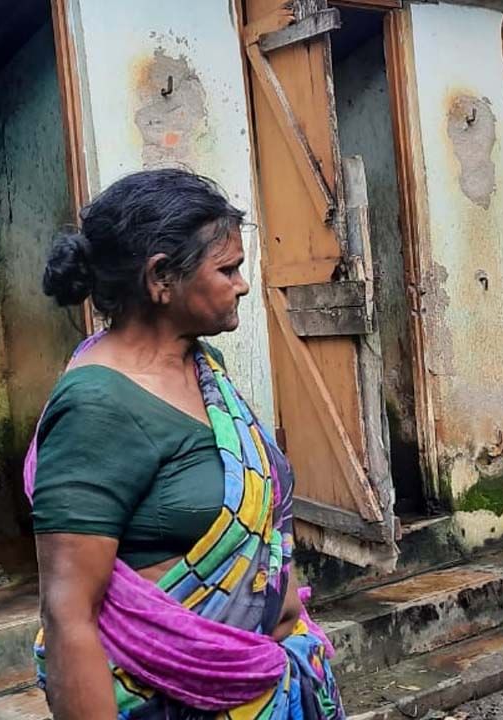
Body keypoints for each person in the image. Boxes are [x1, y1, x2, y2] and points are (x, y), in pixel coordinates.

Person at [26, 169, 344, 719]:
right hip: (170, 699)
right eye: (228, 269)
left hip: (260, 679)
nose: (243, 283)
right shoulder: (98, 407)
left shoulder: (204, 371)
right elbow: (68, 614)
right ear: (161, 278)